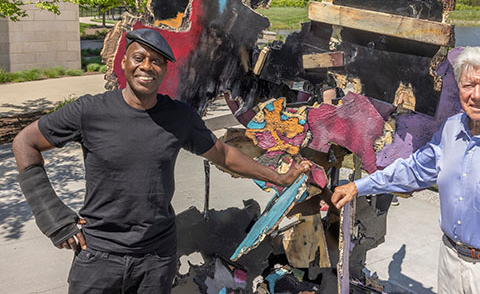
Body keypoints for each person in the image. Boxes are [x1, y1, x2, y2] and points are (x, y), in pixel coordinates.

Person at [13, 28, 309, 293]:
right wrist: (54, 219)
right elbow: (25, 143)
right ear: (124, 63)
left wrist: (279, 178)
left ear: (165, 69)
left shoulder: (178, 116)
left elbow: (225, 155)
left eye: (156, 61)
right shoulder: (89, 112)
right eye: (139, 58)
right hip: (99, 257)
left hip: (156, 260)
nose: (146, 66)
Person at [332, 46, 480, 294]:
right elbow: (413, 171)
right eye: (468, 85)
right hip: (451, 265)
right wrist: (359, 186)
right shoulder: (451, 130)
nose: (476, 95)